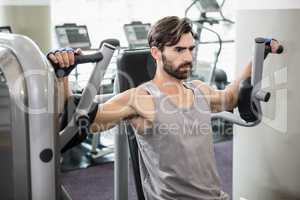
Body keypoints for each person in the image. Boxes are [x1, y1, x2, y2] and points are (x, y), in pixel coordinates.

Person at [48, 16, 279, 200]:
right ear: (156, 52)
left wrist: (257, 56)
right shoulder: (141, 98)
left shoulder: (198, 89)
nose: (189, 57)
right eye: (179, 50)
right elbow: (80, 123)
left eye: (191, 49)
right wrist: (62, 78)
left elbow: (229, 99)